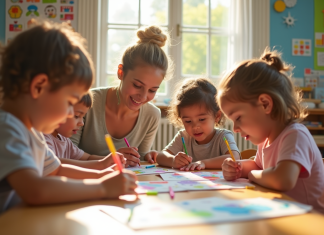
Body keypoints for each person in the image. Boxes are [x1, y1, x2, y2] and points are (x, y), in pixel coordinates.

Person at [0, 20, 137, 213]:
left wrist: (101, 176)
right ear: (39, 87)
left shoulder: (32, 131)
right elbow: (35, 191)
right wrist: (103, 188)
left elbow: (56, 170)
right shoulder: (7, 129)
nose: (69, 114)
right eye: (69, 102)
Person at [218, 48, 324, 213]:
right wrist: (237, 168)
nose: (235, 129)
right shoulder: (266, 140)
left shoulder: (295, 135)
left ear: (265, 104)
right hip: (285, 214)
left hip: (311, 221)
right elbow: (258, 165)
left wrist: (252, 174)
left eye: (238, 117)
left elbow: (282, 179)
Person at [70, 25, 173, 167]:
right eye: (137, 85)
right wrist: (111, 160)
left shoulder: (152, 115)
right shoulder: (87, 102)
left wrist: (147, 157)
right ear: (121, 72)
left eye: (152, 90)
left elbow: (140, 161)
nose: (143, 97)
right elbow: (66, 153)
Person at [156, 78, 240, 170]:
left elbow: (234, 158)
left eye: (202, 119)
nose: (195, 127)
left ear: (217, 116)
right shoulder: (183, 136)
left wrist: (203, 163)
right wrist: (173, 160)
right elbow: (160, 156)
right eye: (188, 121)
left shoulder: (223, 136)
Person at [44, 92, 126, 170]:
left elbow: (87, 158)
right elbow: (54, 164)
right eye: (77, 116)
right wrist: (101, 164)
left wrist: (111, 159)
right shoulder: (44, 138)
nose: (82, 123)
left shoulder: (64, 139)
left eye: (82, 117)